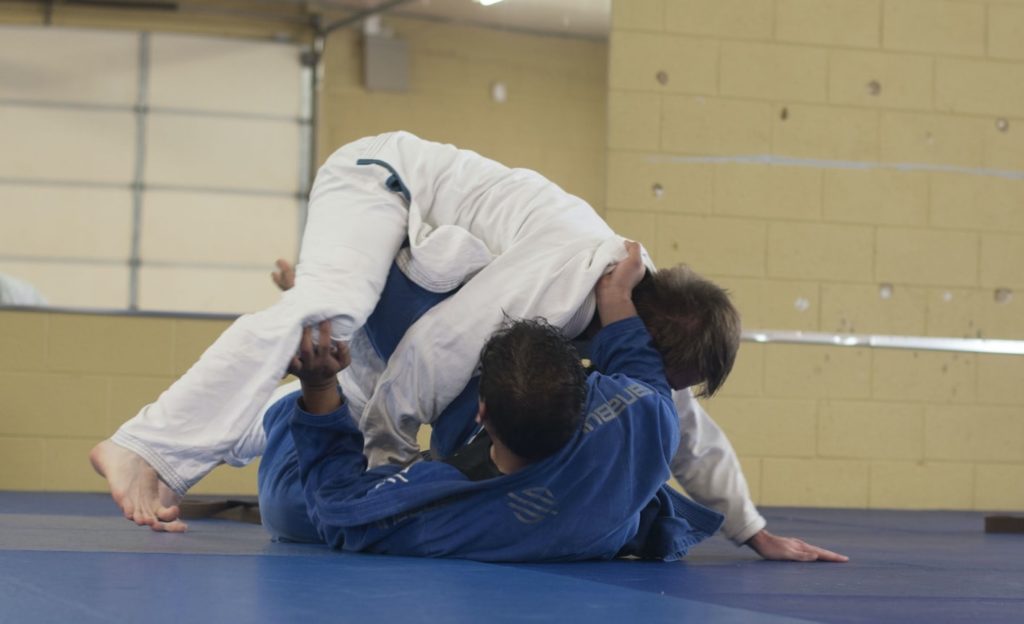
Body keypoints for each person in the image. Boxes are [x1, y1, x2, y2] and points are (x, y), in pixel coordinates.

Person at [90, 131, 845, 562]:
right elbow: (432, 349)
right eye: (666, 369)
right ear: (645, 333)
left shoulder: (633, 329)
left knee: (338, 368)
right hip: (378, 183)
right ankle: (145, 445)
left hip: (425, 258)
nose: (659, 383)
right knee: (332, 309)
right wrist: (385, 468)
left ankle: (286, 396)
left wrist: (752, 528)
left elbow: (684, 425)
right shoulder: (563, 279)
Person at [257, 243, 723, 560]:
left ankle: (309, 393)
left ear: (483, 413)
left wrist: (318, 389)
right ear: (584, 394)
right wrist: (619, 297)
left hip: (325, 448)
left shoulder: (448, 510)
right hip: (573, 507)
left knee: (289, 510)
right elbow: (638, 361)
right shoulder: (644, 419)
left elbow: (336, 508)